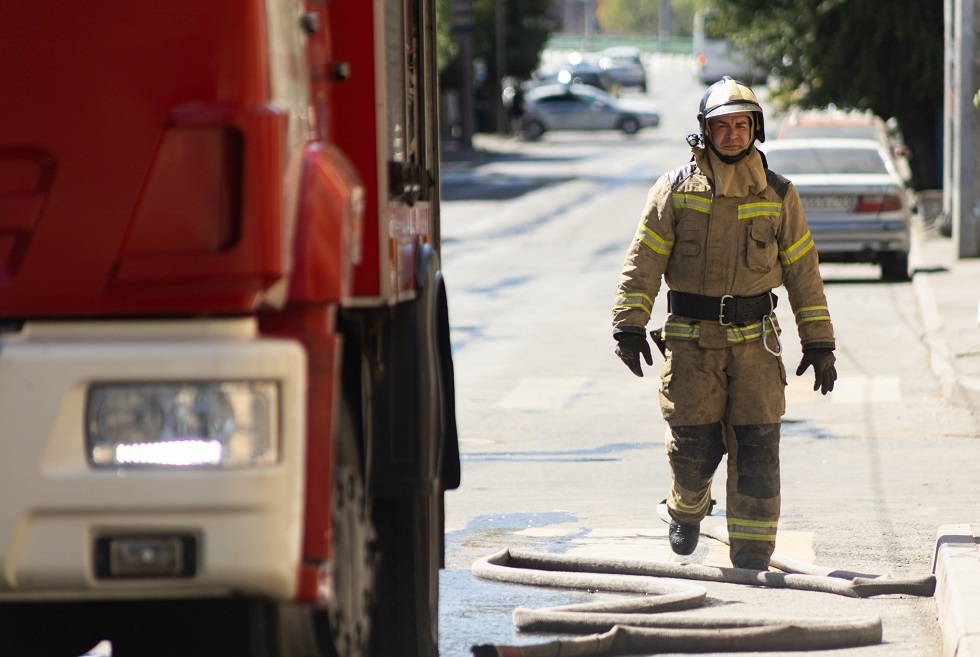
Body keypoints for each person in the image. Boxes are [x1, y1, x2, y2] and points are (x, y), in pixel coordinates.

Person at [611, 77, 837, 571]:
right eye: (722, 126)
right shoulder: (673, 190)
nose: (733, 135)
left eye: (742, 125)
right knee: (692, 451)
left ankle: (753, 553)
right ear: (705, 132)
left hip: (756, 346)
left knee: (758, 449)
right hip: (692, 345)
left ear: (755, 130)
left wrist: (819, 343)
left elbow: (803, 271)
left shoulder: (780, 194)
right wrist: (629, 325)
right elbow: (643, 260)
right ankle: (685, 507)